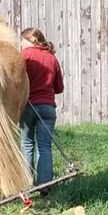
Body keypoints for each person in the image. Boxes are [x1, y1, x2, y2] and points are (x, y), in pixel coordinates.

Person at [19, 27, 64, 186]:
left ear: (32, 40)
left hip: (28, 106)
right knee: (45, 146)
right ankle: (45, 185)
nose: (21, 44)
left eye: (22, 41)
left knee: (26, 143)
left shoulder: (23, 57)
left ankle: (27, 183)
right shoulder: (52, 58)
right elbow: (59, 88)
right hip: (47, 108)